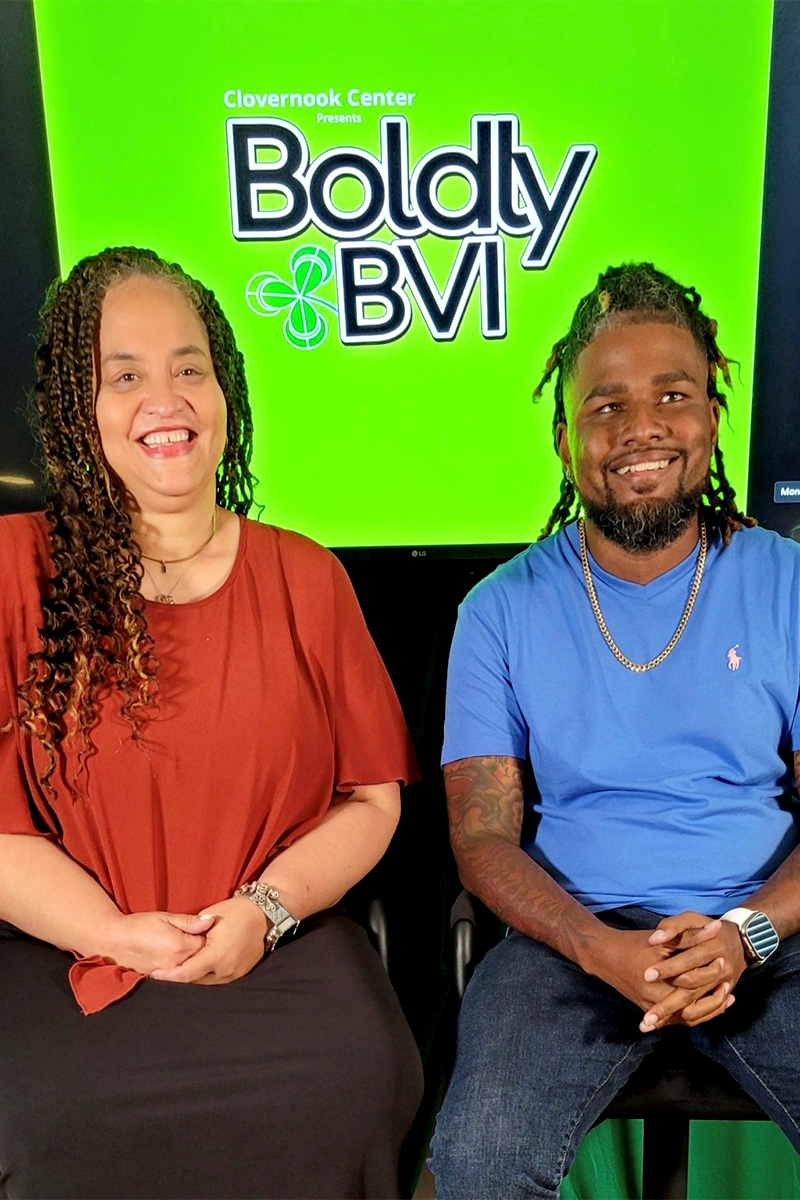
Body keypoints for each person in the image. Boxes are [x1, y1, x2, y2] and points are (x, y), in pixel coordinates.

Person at [0, 246, 423, 1200]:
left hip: (282, 945)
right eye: (125, 375)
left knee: (364, 1080)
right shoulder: (12, 571)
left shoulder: (307, 576)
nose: (168, 398)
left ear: (225, 389)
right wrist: (115, 933)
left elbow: (373, 798)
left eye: (191, 367)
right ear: (78, 407)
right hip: (63, 959)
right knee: (35, 1115)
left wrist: (265, 913)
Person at [430, 263, 800, 1199]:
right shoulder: (498, 610)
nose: (641, 428)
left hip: (771, 930)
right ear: (565, 440)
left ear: (711, 419)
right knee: (479, 1160)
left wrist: (747, 932)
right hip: (571, 944)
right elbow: (479, 838)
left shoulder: (786, 582)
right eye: (606, 406)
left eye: (673, 396)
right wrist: (600, 948)